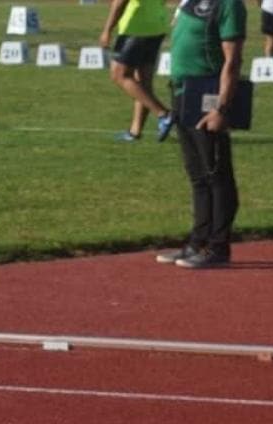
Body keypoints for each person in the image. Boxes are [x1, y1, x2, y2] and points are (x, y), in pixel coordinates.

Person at [155, 0, 245, 268]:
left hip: (208, 96)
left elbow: (233, 59)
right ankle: (198, 241)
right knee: (197, 175)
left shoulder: (228, 5)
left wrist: (221, 107)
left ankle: (218, 247)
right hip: (183, 93)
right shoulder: (189, 2)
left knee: (216, 174)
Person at [99, 0, 174, 141]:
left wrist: (107, 29)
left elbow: (119, 3)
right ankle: (135, 131)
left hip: (135, 27)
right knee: (143, 83)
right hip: (157, 25)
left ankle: (164, 114)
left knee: (118, 75)